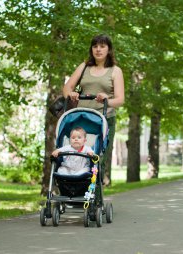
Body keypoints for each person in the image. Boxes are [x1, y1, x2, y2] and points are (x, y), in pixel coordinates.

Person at [63, 34, 125, 185]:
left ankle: (95, 197)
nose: (98, 50)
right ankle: (75, 190)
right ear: (91, 49)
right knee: (75, 154)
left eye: (102, 46)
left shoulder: (115, 71)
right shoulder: (84, 66)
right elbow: (67, 88)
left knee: (98, 158)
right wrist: (71, 94)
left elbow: (120, 100)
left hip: (104, 119)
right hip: (82, 118)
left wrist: (106, 100)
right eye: (95, 46)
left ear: (109, 49)